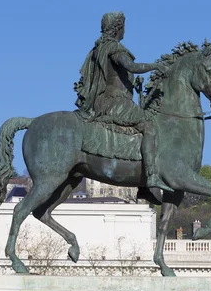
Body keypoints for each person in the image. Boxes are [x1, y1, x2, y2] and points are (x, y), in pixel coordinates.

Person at [74, 11, 172, 200]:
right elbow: (131, 67)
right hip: (114, 102)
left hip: (106, 99)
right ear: (118, 27)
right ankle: (150, 179)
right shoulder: (113, 47)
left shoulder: (98, 48)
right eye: (124, 26)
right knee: (150, 126)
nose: (125, 29)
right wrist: (156, 66)